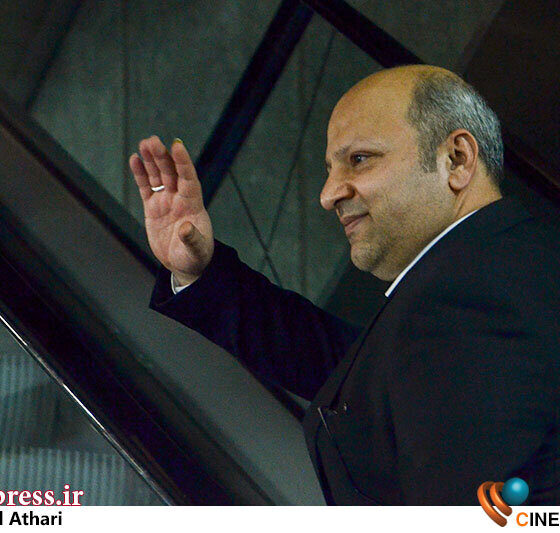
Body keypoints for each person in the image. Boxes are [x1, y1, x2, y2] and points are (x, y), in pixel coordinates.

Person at [129, 65, 559, 505]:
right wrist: (201, 273)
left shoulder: (483, 294)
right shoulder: (478, 277)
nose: (328, 194)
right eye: (330, 169)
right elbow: (349, 370)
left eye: (359, 159)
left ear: (457, 159)